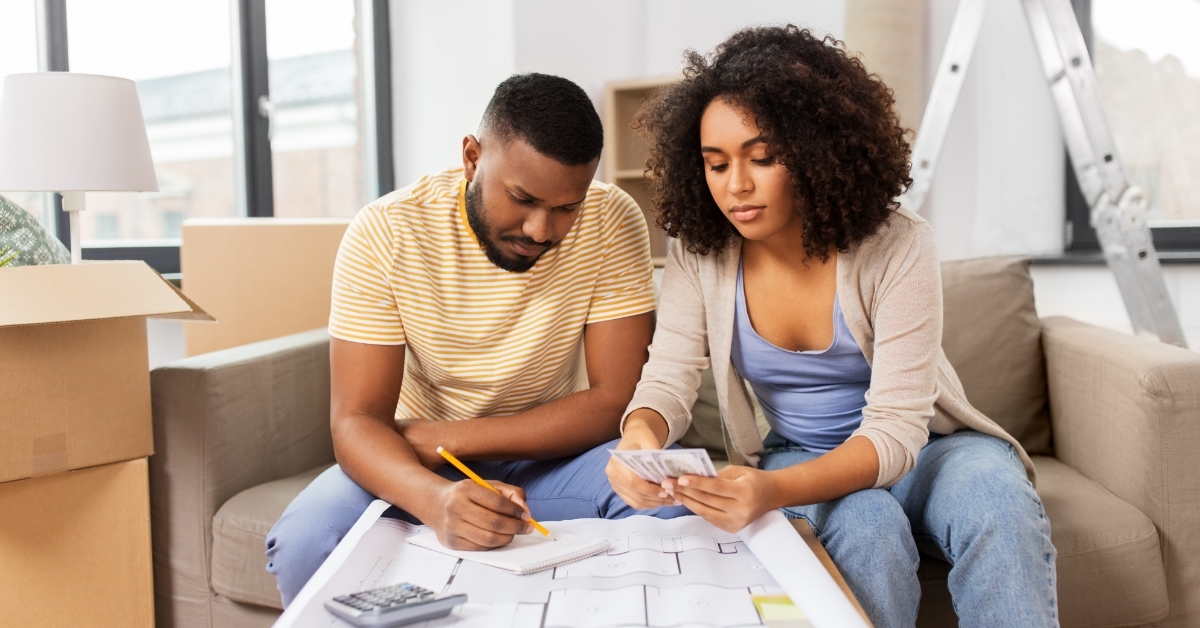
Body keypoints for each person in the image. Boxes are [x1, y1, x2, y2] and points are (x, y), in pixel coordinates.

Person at [605, 26, 1058, 627]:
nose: (736, 185)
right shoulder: (702, 252)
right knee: (867, 527)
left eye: (762, 157)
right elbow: (668, 379)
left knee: (997, 500)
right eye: (716, 164)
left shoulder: (898, 244)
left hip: (932, 449)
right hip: (799, 452)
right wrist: (639, 440)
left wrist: (769, 492)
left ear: (818, 150)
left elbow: (898, 431)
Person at [266, 73, 688, 606]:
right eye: (522, 198)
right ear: (471, 157)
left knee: (668, 502)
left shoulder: (612, 219)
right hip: (416, 461)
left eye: (565, 208)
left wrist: (451, 438)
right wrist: (435, 497)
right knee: (307, 539)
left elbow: (614, 401)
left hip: (549, 456)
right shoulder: (386, 231)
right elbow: (355, 421)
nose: (540, 229)